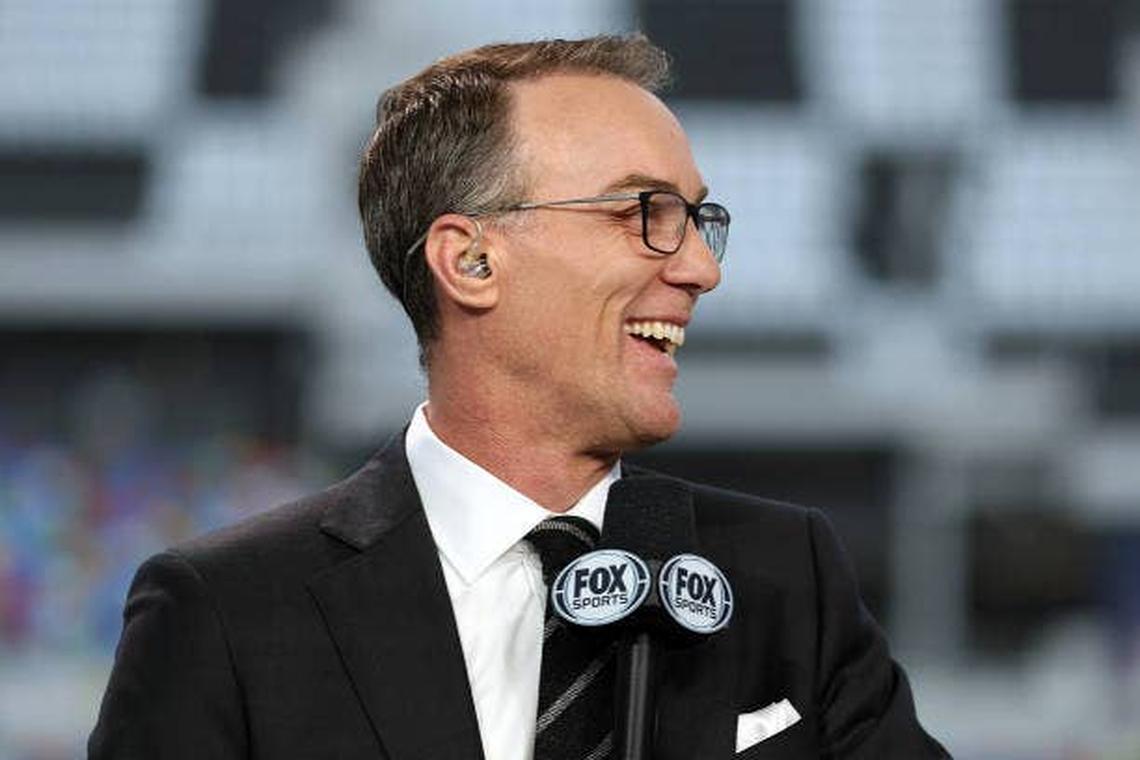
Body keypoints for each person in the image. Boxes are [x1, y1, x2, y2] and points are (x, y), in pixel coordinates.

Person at [89, 34, 949, 759]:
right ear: (470, 261)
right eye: (643, 211)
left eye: (698, 218)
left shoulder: (784, 577)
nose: (700, 268)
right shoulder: (227, 613)